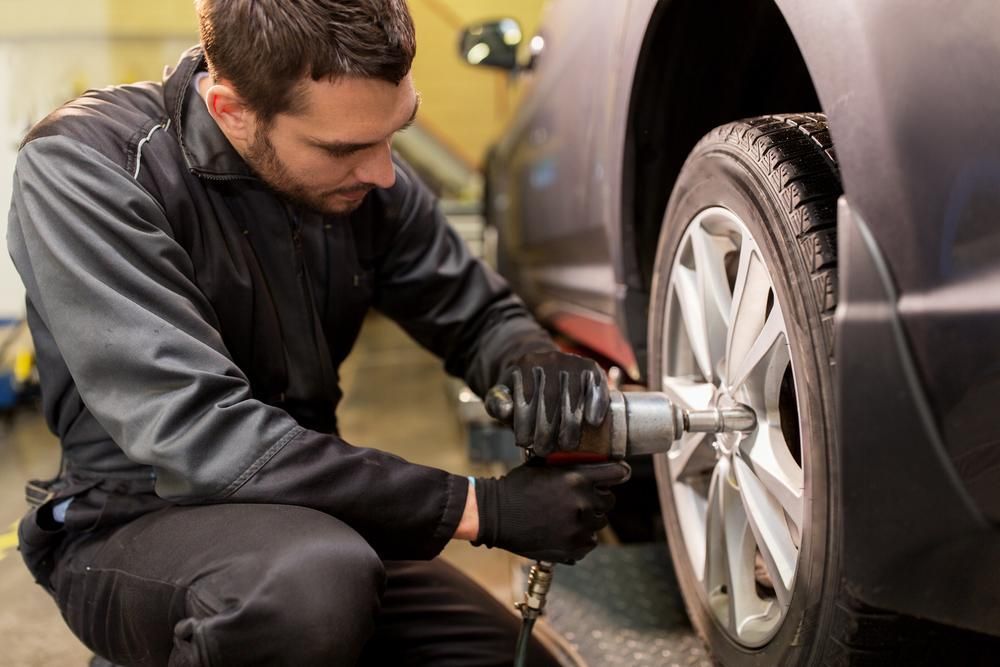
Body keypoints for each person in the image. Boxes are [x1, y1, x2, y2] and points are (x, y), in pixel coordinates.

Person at [7, 1, 630, 665]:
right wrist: (481, 508)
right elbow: (205, 437)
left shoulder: (364, 180)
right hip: (134, 523)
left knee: (515, 659)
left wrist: (532, 362)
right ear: (230, 109)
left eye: (397, 131)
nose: (385, 172)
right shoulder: (90, 167)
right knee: (307, 595)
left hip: (314, 513)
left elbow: (474, 315)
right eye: (346, 148)